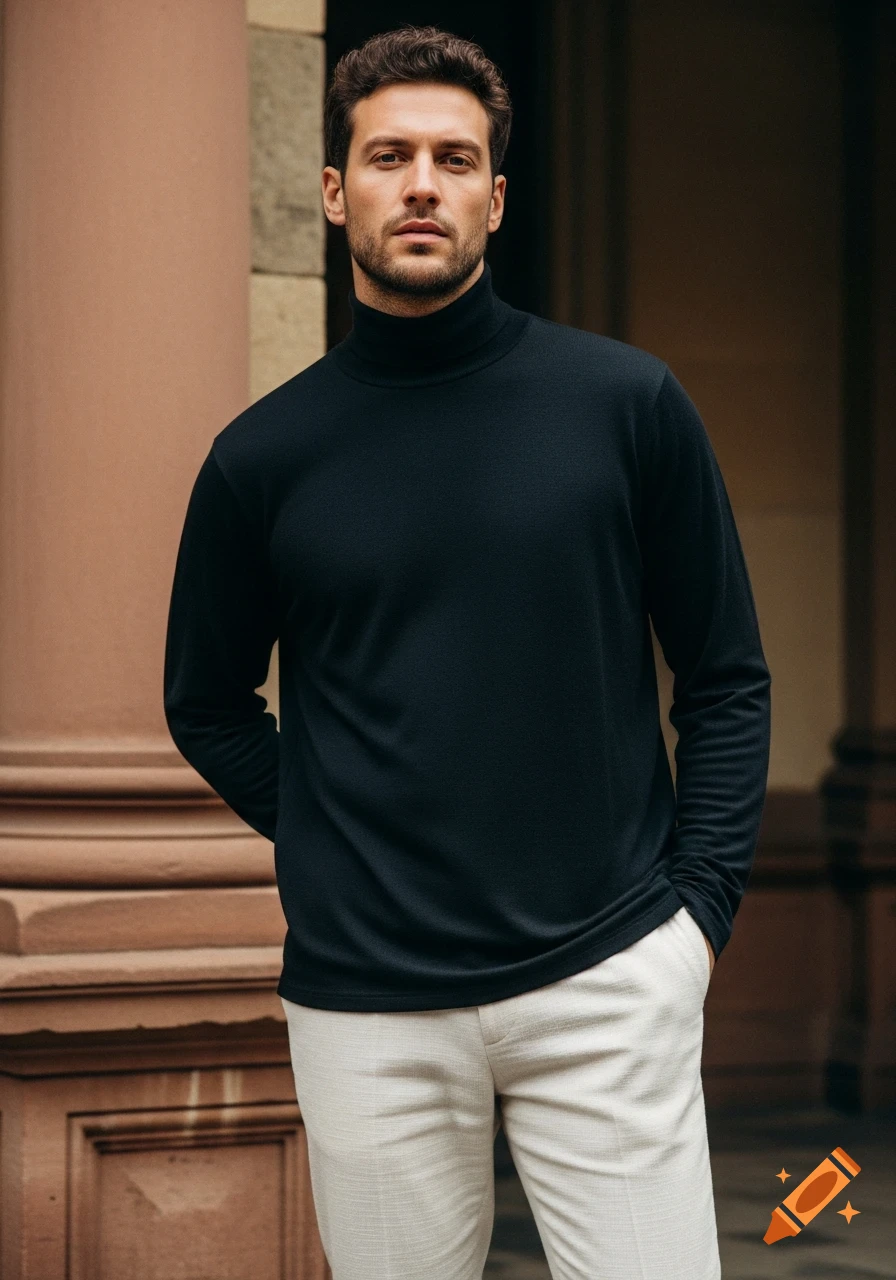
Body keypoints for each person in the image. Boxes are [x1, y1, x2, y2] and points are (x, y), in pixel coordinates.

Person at [163, 22, 771, 1280]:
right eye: (388, 156)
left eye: (453, 157)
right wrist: (333, 835)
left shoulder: (625, 405)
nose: (421, 183)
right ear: (334, 193)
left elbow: (723, 675)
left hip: (610, 972)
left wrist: (694, 916)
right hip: (364, 1000)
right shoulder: (260, 457)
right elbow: (206, 701)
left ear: (495, 197)